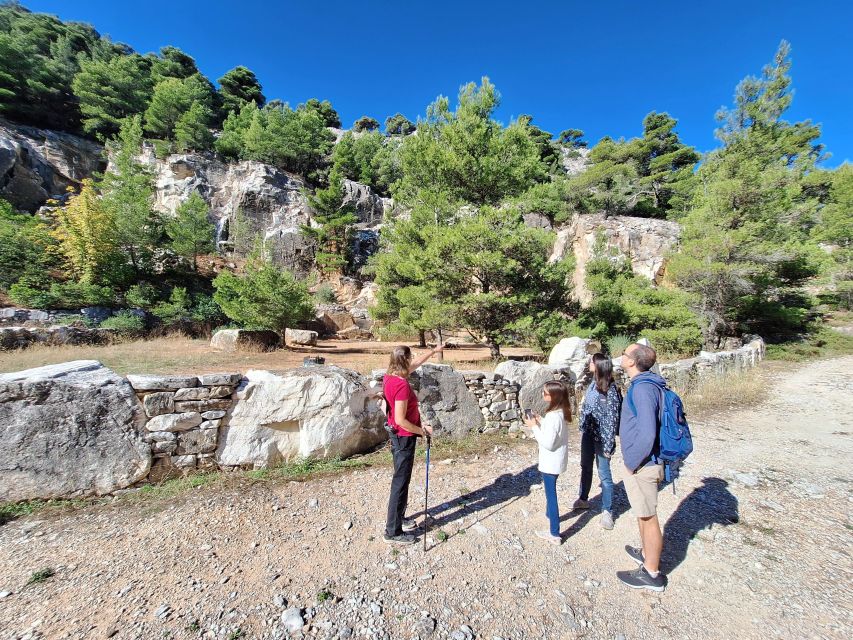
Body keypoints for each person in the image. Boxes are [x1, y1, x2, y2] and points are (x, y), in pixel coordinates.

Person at [616, 342, 667, 591]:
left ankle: (652, 572)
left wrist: (631, 463)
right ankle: (646, 552)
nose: (621, 356)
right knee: (642, 511)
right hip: (642, 463)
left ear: (632, 362)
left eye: (624, 354)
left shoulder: (643, 390)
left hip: (643, 465)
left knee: (648, 516)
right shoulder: (645, 384)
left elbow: (647, 433)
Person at [383, 343, 444, 545]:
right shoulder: (400, 385)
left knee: (402, 482)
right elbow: (401, 420)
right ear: (404, 360)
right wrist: (422, 430)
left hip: (398, 437)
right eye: (411, 357)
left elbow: (416, 364)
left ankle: (399, 519)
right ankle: (392, 532)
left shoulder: (391, 376)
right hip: (403, 437)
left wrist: (434, 351)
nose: (413, 360)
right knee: (400, 484)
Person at [573, 353, 620, 530]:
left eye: (591, 361)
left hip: (602, 439)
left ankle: (607, 510)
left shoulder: (611, 391)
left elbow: (612, 419)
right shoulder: (593, 383)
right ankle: (583, 499)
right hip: (589, 434)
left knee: (605, 475)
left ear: (598, 365)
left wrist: (608, 446)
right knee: (585, 466)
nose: (589, 363)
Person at [523, 380, 572, 546]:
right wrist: (540, 420)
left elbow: (548, 443)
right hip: (557, 461)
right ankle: (551, 515)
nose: (542, 395)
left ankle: (554, 533)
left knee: (551, 496)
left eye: (545, 393)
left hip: (551, 462)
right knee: (551, 493)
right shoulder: (560, 412)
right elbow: (554, 433)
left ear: (553, 396)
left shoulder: (553, 416)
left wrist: (533, 426)